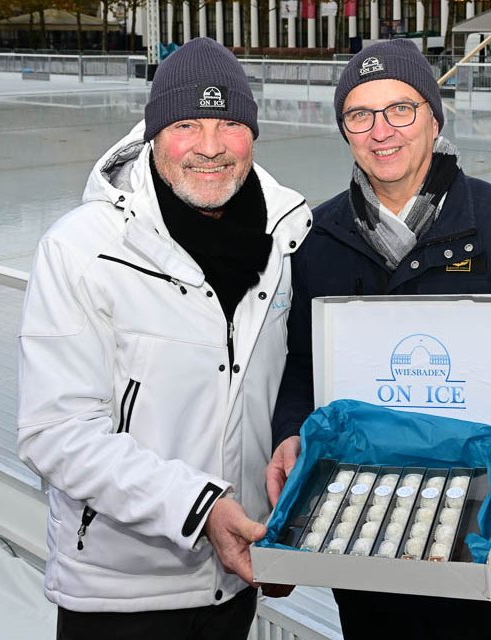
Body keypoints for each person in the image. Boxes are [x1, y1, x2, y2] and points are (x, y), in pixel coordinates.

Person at [267, 40, 491, 639]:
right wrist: (291, 431)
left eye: (401, 109)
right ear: (344, 129)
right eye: (359, 115)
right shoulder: (318, 238)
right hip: (360, 530)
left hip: (477, 523)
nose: (381, 130)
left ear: (434, 117)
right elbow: (300, 367)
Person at [17, 37, 312, 639]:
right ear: (152, 134)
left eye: (229, 123)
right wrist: (198, 507)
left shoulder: (289, 239)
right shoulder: (82, 248)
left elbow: (287, 392)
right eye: (186, 125)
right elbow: (55, 432)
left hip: (236, 574)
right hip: (120, 591)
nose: (209, 147)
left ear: (253, 133)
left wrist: (286, 522)